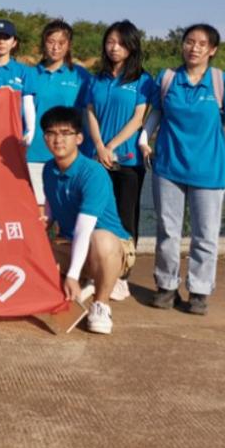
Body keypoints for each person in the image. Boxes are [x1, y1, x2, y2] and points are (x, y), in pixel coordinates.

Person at [139, 23, 225, 315]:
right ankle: (166, 286)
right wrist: (144, 139)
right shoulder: (168, 78)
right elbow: (156, 113)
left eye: (201, 44)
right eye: (189, 41)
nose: (194, 48)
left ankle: (199, 291)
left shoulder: (222, 82)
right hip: (169, 166)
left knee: (205, 234)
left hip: (209, 169)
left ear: (212, 50)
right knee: (167, 230)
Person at [41, 105, 136, 335]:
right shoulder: (48, 169)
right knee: (30, 249)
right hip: (71, 243)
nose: (58, 140)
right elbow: (51, 207)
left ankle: (101, 304)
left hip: (110, 246)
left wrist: (72, 276)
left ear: (79, 138)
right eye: (51, 133)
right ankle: (89, 280)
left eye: (65, 133)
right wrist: (44, 223)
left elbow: (84, 229)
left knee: (100, 239)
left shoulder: (93, 173)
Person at [81, 20, 153, 301]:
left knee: (125, 218)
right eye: (110, 42)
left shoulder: (142, 80)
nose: (115, 47)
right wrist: (99, 146)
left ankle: (122, 276)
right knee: (97, 215)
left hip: (127, 161)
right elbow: (89, 111)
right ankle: (96, 272)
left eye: (121, 43)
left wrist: (111, 146)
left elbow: (138, 118)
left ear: (132, 46)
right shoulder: (97, 78)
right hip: (96, 158)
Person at [22, 19, 91, 208]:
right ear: (43, 43)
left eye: (61, 43)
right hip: (35, 152)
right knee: (39, 210)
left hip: (70, 154)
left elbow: (88, 116)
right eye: (51, 41)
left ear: (69, 45)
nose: (55, 47)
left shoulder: (81, 76)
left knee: (68, 209)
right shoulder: (30, 74)